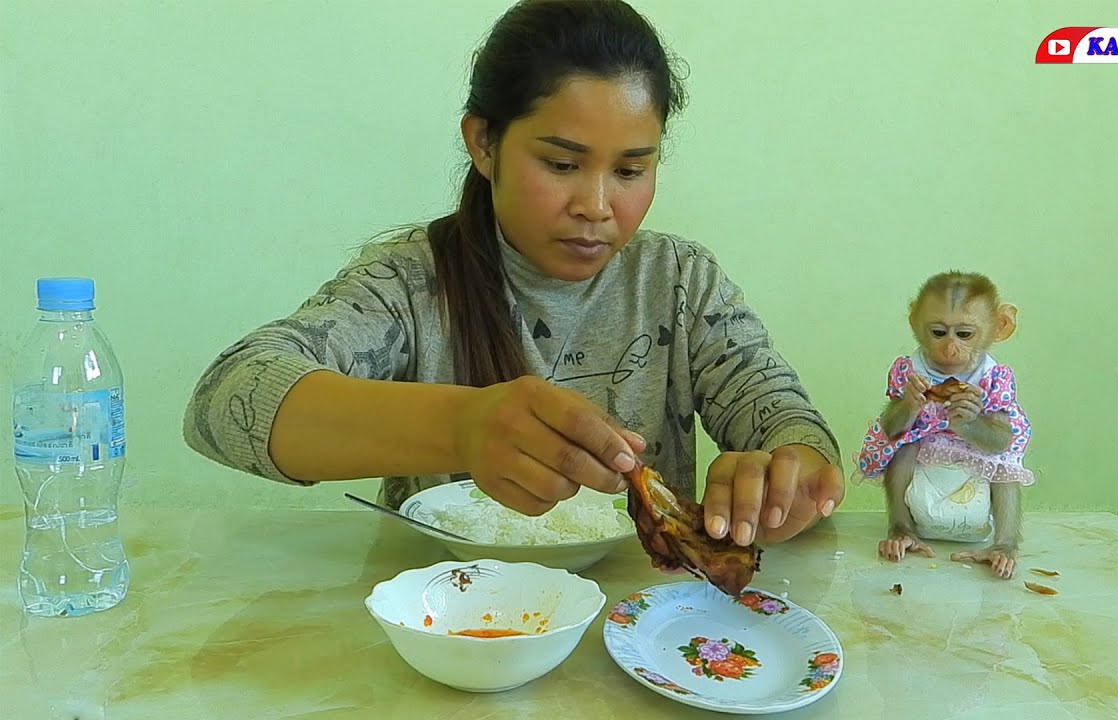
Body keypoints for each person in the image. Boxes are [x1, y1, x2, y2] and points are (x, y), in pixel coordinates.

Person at [183, 0, 844, 547]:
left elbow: (795, 431)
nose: (597, 205)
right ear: (484, 143)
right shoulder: (412, 285)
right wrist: (461, 425)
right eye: (561, 164)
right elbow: (223, 402)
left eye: (631, 170)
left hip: (641, 634)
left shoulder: (679, 283)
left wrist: (781, 485)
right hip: (448, 633)